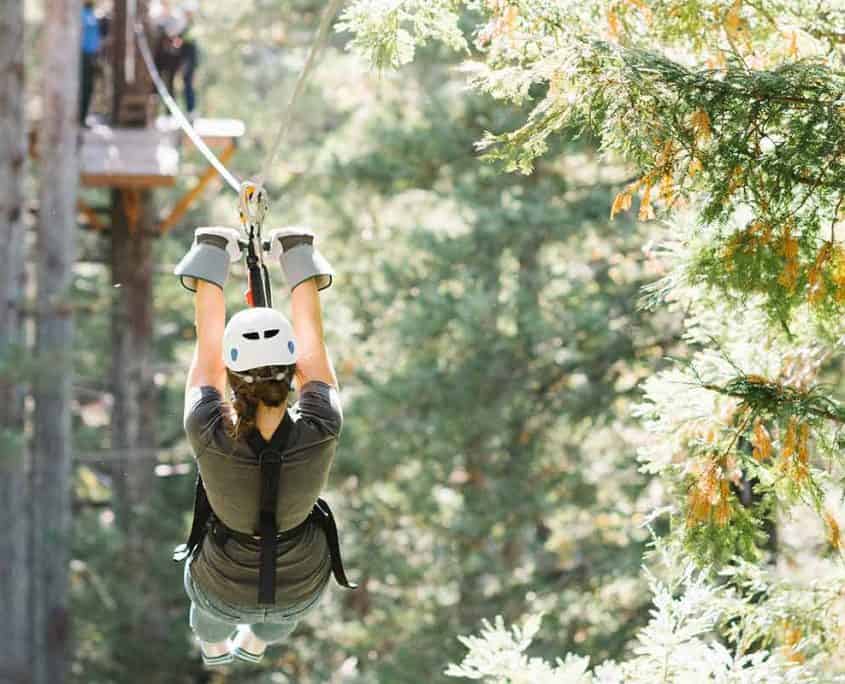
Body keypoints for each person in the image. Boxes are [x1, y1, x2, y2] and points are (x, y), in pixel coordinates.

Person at [173, 225, 355, 666]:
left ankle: (213, 645)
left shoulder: (207, 426)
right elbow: (313, 342)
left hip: (222, 587)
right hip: (300, 586)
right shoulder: (321, 423)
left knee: (208, 616)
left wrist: (215, 254)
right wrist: (291, 255)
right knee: (278, 616)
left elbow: (207, 352)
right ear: (292, 371)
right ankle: (257, 643)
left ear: (233, 378)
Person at [80, 0, 101, 126]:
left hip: (92, 56)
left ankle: (84, 117)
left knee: (89, 87)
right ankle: (80, 118)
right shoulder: (80, 14)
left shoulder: (92, 14)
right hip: (83, 56)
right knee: (83, 87)